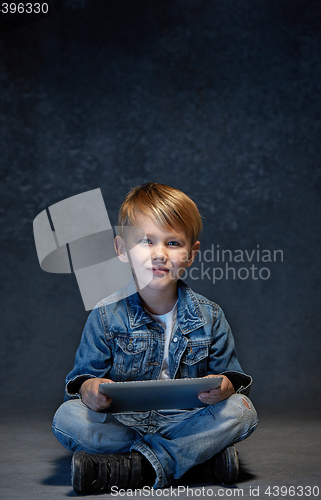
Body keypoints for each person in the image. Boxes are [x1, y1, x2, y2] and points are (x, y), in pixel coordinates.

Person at [52, 182, 258, 495]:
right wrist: (89, 389)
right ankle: (192, 460)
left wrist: (225, 385)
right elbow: (82, 381)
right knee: (68, 417)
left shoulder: (210, 315)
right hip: (125, 423)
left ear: (191, 254)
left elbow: (229, 376)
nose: (159, 254)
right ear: (122, 250)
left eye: (173, 242)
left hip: (186, 421)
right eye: (146, 241)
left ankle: (135, 467)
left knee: (241, 410)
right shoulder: (106, 316)